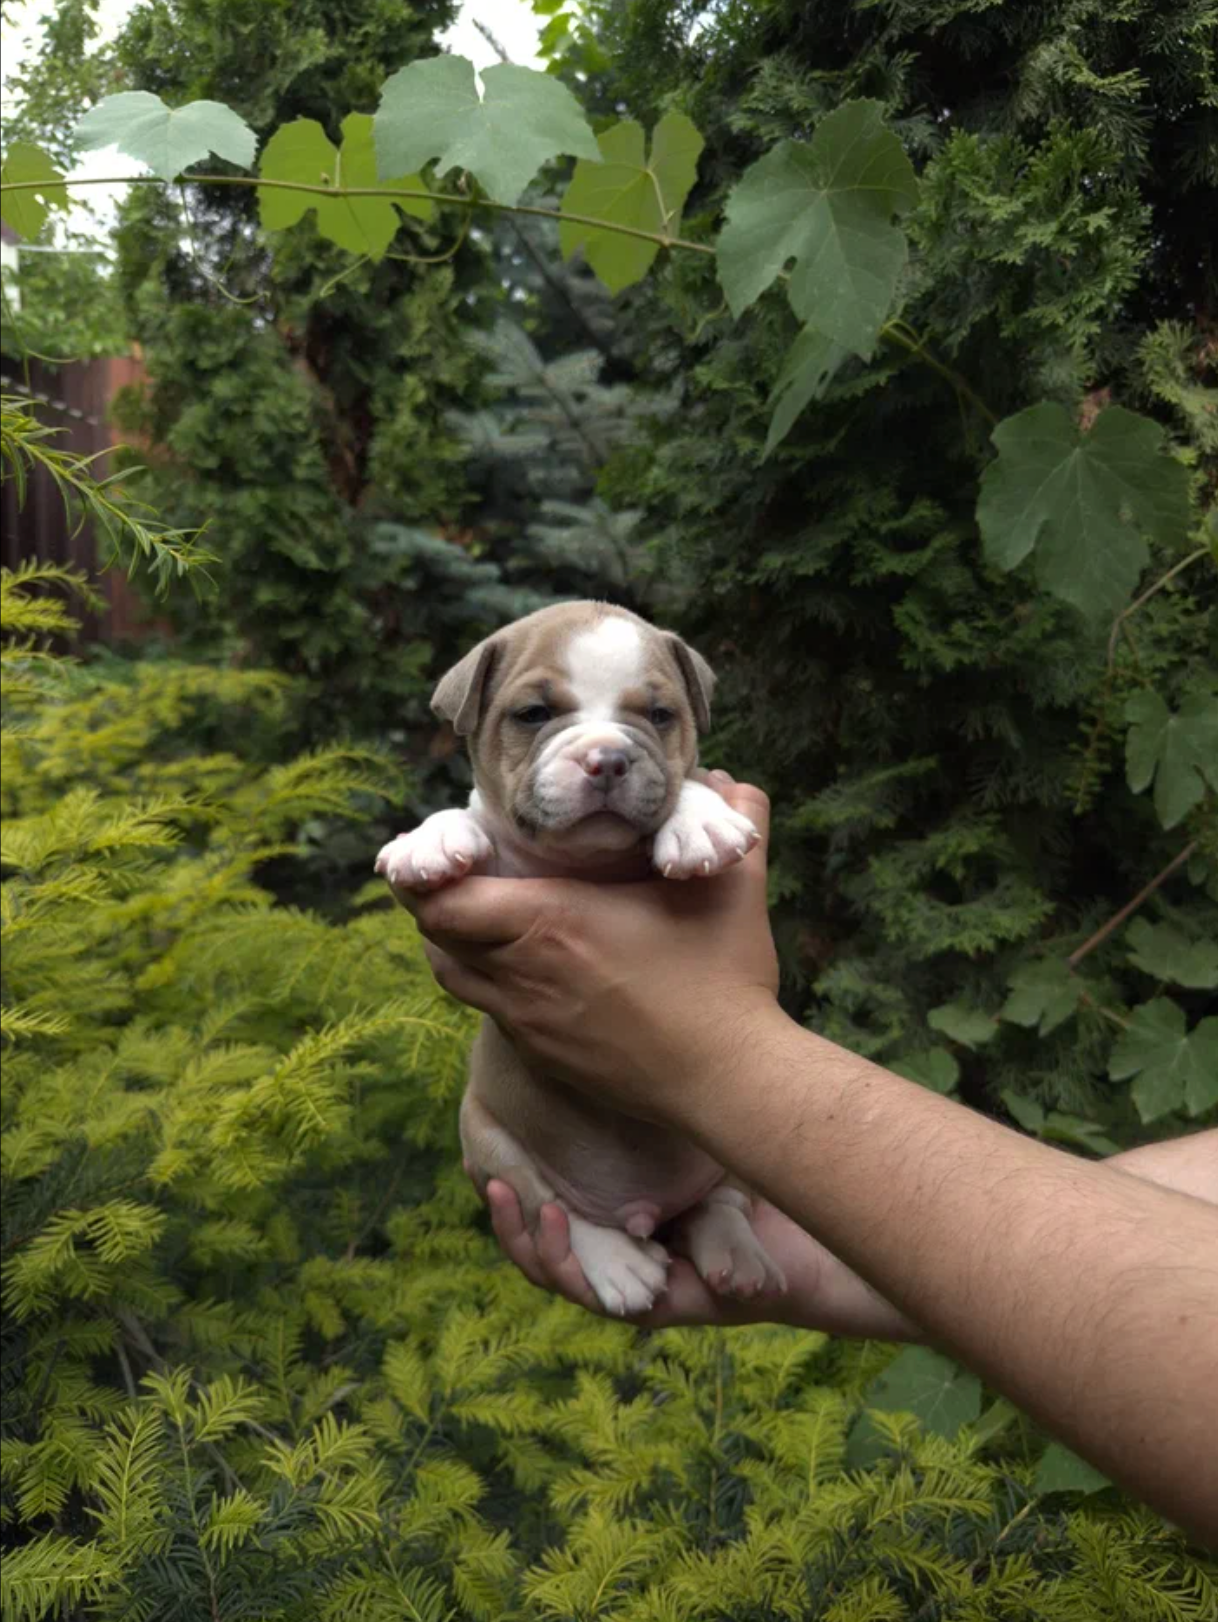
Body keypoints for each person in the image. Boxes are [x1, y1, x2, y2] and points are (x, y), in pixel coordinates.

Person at [400, 772, 1218, 1547]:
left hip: (690, 1167)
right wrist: (832, 1262)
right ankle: (666, 1213)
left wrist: (721, 1055)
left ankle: (712, 1204)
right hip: (576, 1164)